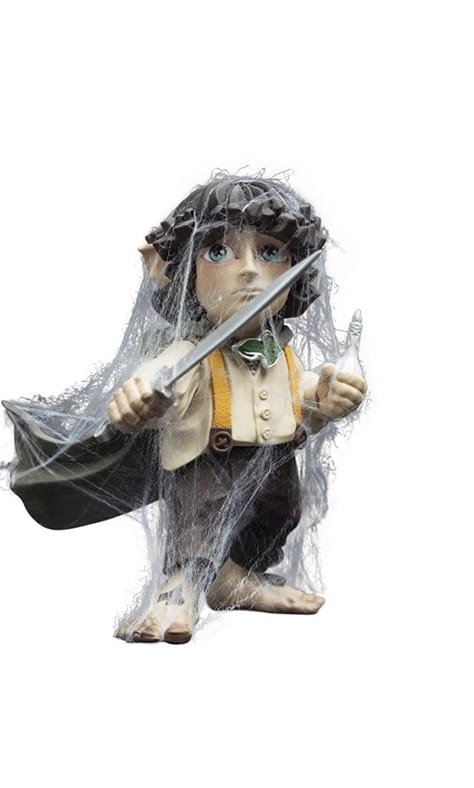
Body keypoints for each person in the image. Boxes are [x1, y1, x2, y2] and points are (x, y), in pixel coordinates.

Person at [107, 176, 367, 644]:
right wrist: (141, 398)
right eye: (219, 252)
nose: (249, 271)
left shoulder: (281, 352)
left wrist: (325, 397)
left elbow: (298, 392)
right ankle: (178, 591)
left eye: (269, 253)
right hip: (209, 463)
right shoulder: (190, 353)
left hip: (274, 461)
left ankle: (236, 579)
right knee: (198, 527)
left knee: (279, 513)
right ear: (180, 271)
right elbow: (160, 380)